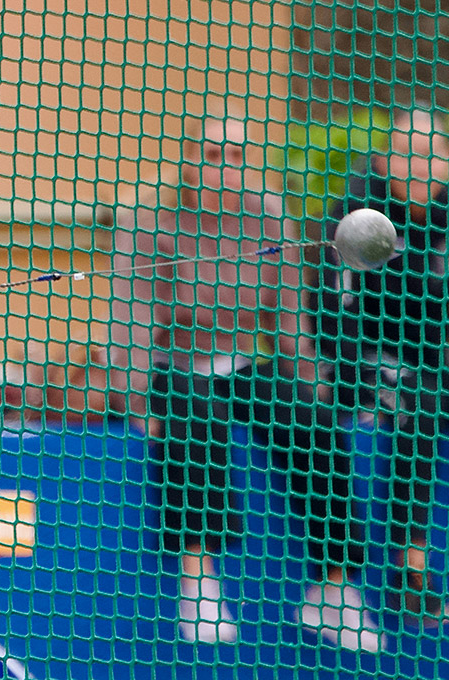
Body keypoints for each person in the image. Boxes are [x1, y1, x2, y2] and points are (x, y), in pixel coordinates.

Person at [101, 113, 375, 650]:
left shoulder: (271, 216)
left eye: (235, 157)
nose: (224, 168)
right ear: (187, 159)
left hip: (244, 363)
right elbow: (130, 316)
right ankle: (197, 573)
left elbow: (290, 315)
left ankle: (332, 588)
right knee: (196, 410)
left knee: (309, 421)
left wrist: (314, 390)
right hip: (171, 366)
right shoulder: (147, 217)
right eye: (211, 155)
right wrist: (135, 396)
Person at [311, 107, 449, 625]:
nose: (418, 166)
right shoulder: (357, 214)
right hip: (363, 364)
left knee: (426, 393)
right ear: (385, 159)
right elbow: (330, 315)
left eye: (430, 154)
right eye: (406, 153)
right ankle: (410, 574)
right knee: (418, 408)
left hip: (432, 361)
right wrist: (359, 376)